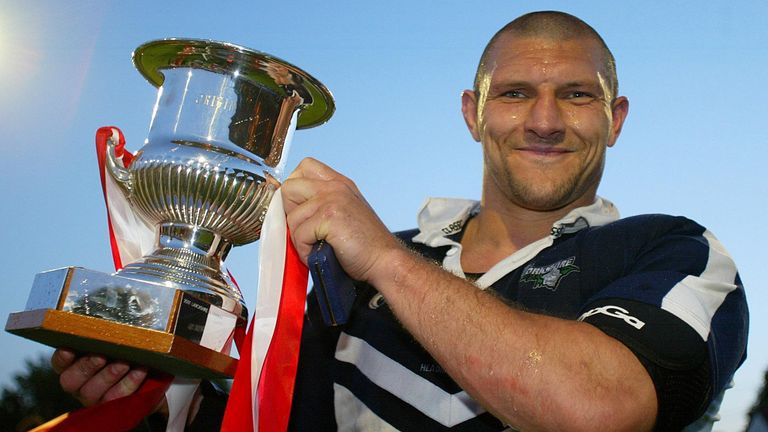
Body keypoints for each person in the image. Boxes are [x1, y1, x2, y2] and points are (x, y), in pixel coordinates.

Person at [52, 11, 748, 431]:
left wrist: (385, 260)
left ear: (614, 118)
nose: (543, 120)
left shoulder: (675, 252)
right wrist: (160, 387)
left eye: (575, 96)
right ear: (473, 114)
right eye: (513, 94)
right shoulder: (338, 277)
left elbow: (600, 411)